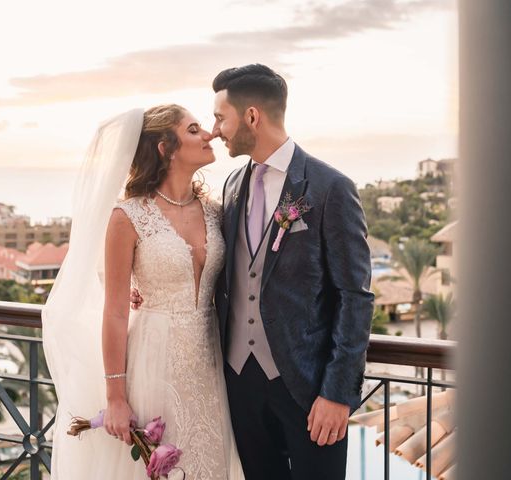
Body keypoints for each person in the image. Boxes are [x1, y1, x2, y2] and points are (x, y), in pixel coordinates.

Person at [43, 105, 245, 479]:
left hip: (208, 365)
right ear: (165, 147)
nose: (209, 135)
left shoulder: (216, 211)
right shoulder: (128, 217)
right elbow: (116, 311)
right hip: (153, 362)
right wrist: (115, 399)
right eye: (194, 129)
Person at [210, 64, 374, 480]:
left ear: (251, 116)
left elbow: (355, 297)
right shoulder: (231, 185)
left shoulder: (329, 187)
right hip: (240, 381)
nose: (215, 130)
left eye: (220, 117)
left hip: (307, 388)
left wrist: (337, 393)